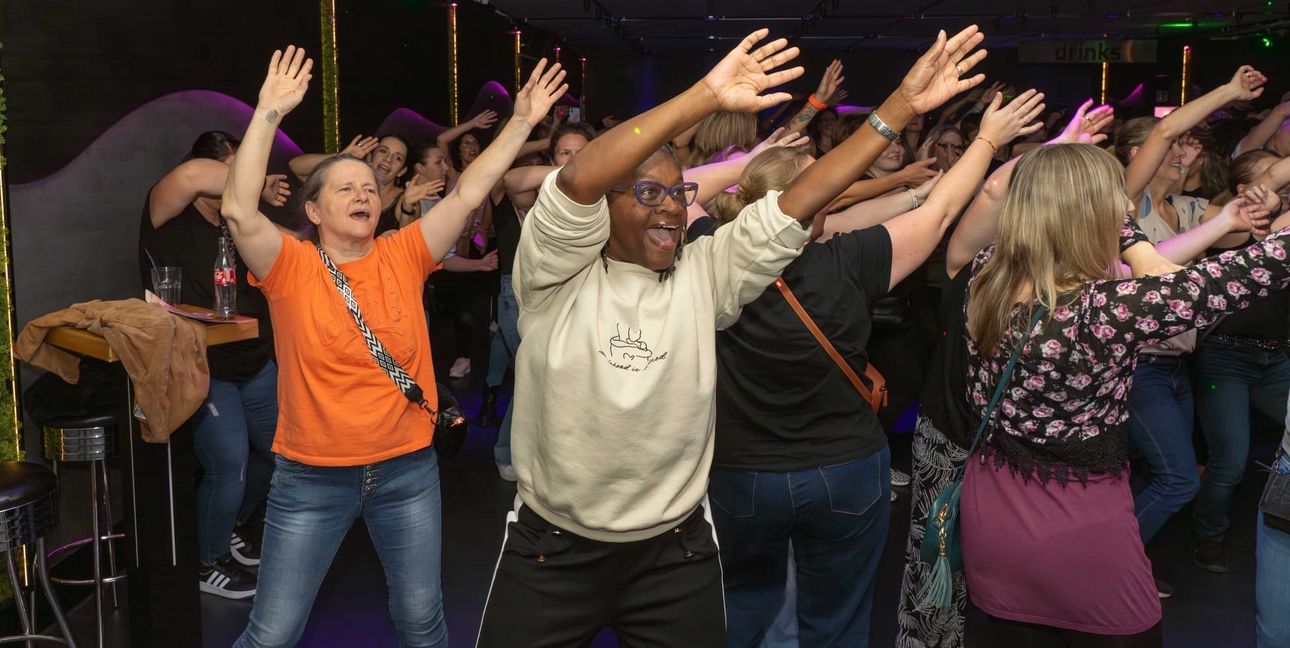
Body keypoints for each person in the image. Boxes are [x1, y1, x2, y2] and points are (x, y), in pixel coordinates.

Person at [474, 27, 818, 646]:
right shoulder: (552, 275)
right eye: (648, 193)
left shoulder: (702, 274)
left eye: (678, 193)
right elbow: (578, 177)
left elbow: (797, 205)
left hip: (674, 552)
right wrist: (707, 94)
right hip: (552, 547)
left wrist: (896, 111)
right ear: (606, 206)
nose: (671, 208)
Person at [221, 46, 567, 648]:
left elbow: (465, 196)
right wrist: (268, 113)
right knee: (271, 633)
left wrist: (520, 122)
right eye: (345, 187)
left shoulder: (403, 253)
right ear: (313, 209)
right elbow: (237, 209)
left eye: (369, 187)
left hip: (406, 470)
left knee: (421, 622)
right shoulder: (289, 267)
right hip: (310, 479)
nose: (362, 193)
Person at [706, 63, 1036, 648]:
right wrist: (987, 139)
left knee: (740, 607)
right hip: (842, 469)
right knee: (837, 620)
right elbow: (936, 216)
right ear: (821, 204)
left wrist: (742, 168)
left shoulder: (705, 259)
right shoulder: (847, 260)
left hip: (742, 472)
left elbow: (678, 192)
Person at [954, 139, 1282, 645]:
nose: (1129, 209)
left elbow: (1149, 276)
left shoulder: (986, 274)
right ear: (1097, 216)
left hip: (992, 509)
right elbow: (1229, 276)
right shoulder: (1107, 311)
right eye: (1119, 205)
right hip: (1078, 525)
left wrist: (1112, 209)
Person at [138, 130, 289, 599]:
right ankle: (207, 561)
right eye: (234, 166)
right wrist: (255, 180)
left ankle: (231, 528)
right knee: (229, 465)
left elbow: (292, 248)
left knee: (281, 454)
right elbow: (189, 174)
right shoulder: (168, 215)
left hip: (253, 360)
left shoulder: (239, 222)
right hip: (203, 366)